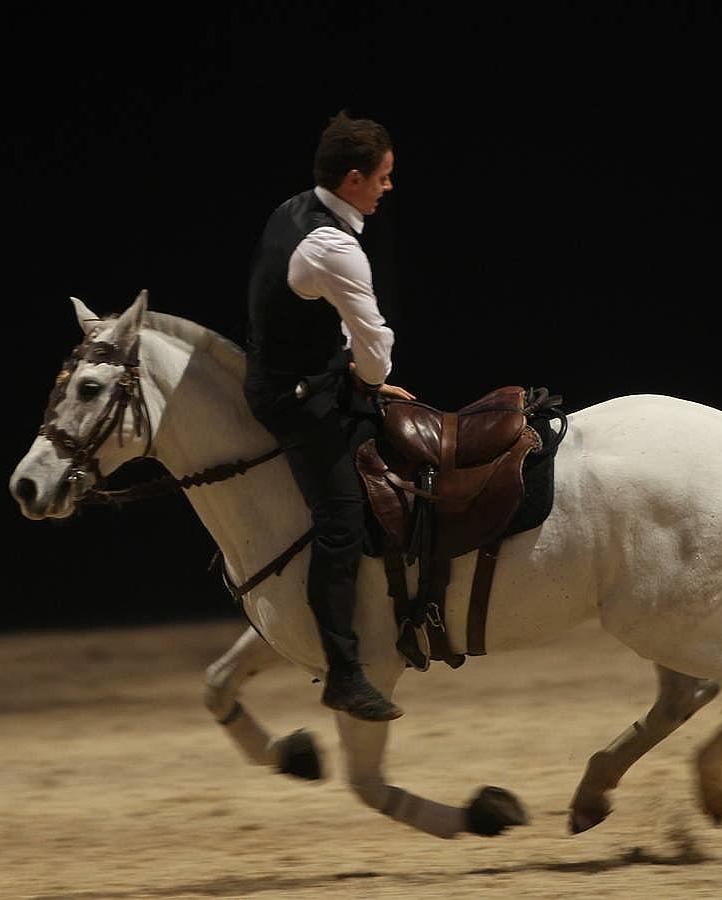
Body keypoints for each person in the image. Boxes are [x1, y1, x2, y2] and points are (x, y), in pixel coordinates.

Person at [242, 110, 415, 721]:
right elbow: (375, 344)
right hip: (293, 396)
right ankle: (345, 673)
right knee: (340, 520)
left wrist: (359, 378)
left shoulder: (294, 210)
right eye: (383, 177)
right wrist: (373, 385)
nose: (388, 188)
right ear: (352, 180)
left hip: (296, 373)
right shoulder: (333, 246)